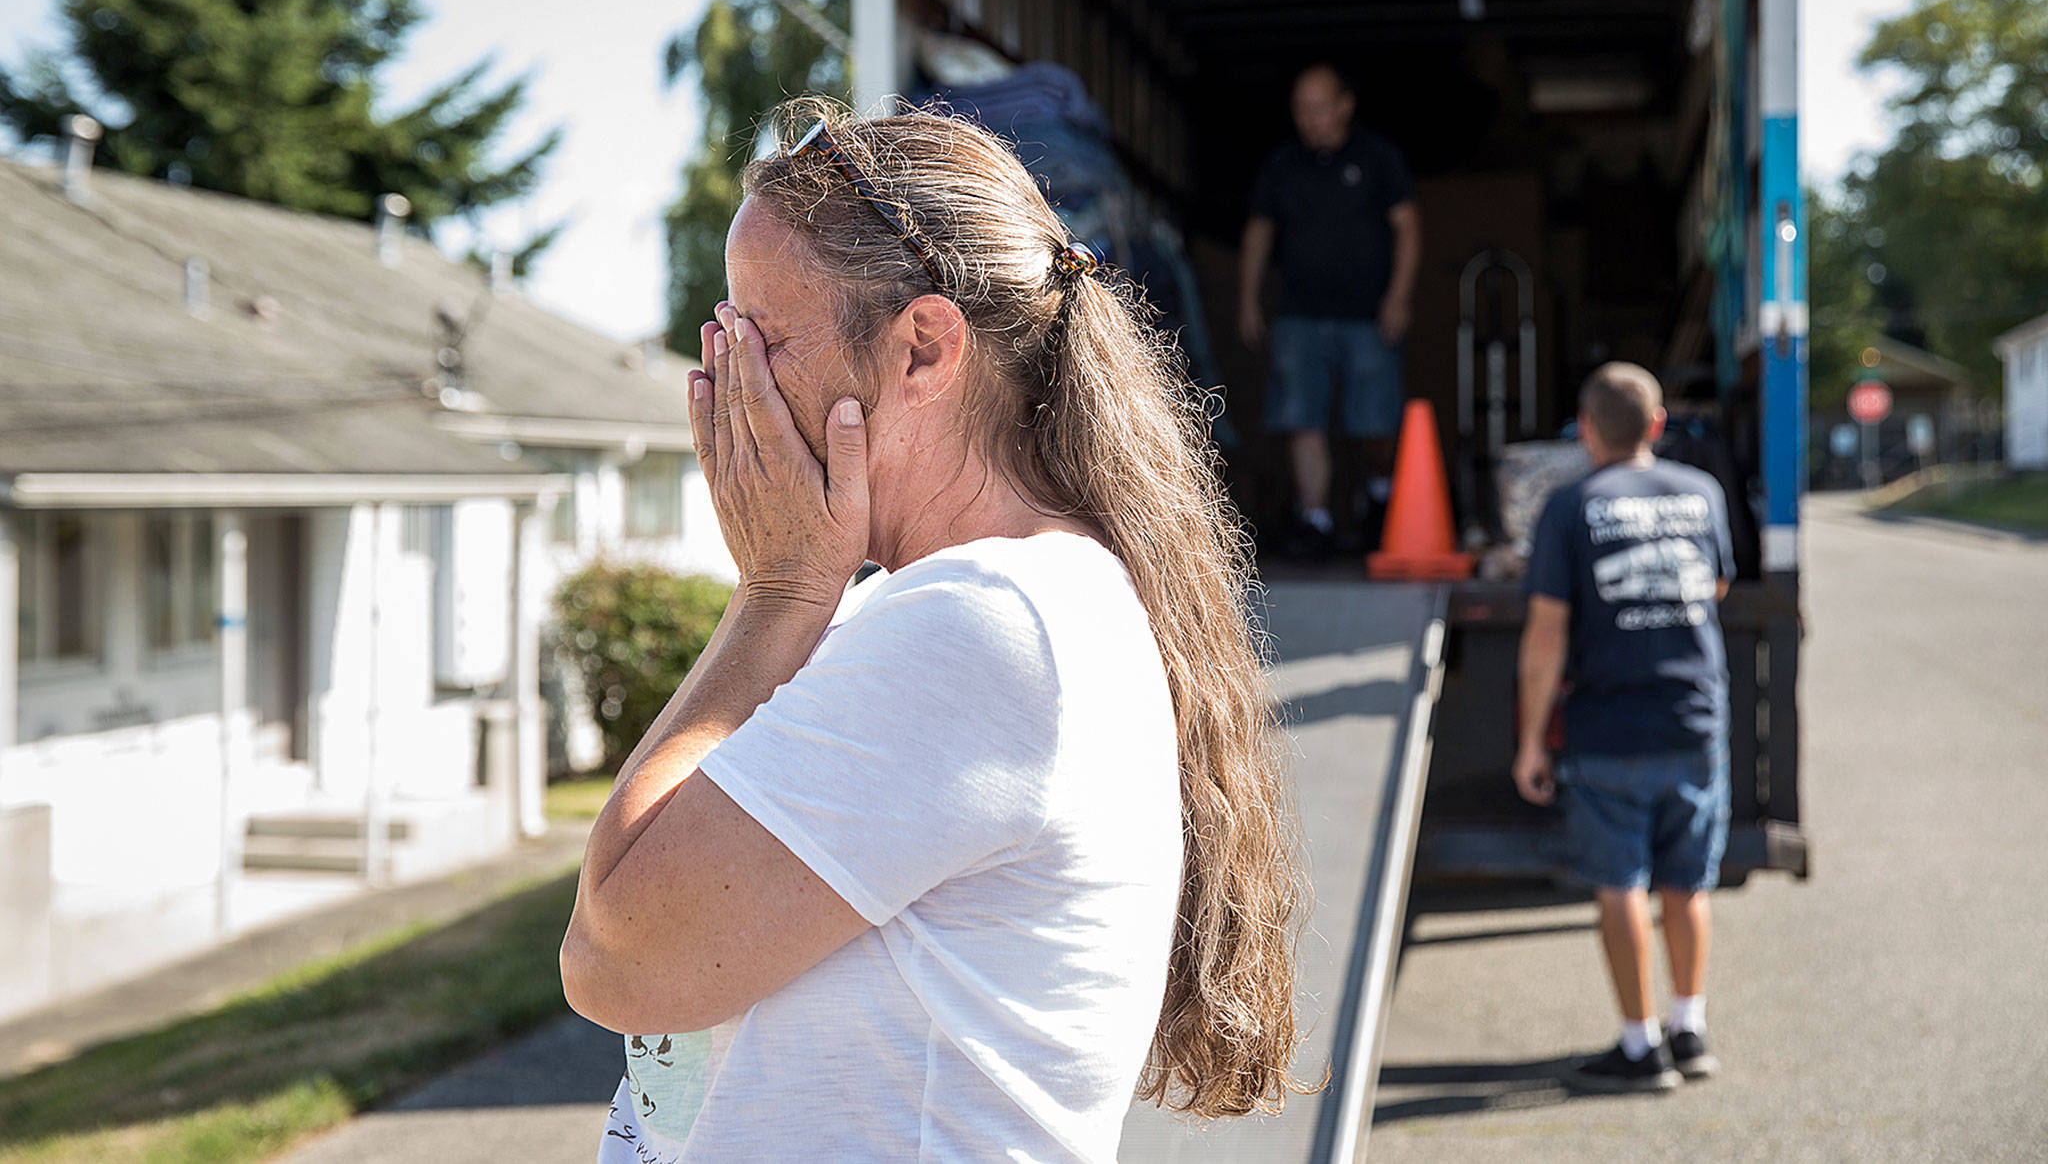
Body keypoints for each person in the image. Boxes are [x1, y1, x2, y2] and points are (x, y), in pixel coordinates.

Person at [560, 99, 1311, 1162]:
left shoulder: (985, 628)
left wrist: (775, 591)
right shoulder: (949, 608)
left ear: (920, 348)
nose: (728, 377)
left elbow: (618, 956)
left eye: (760, 335)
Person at [1513, 362, 1736, 1094]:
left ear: (1584, 430)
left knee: (1620, 888)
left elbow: (1547, 633)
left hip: (1609, 727)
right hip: (1694, 717)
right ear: (1659, 425)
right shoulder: (1702, 494)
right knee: (1687, 885)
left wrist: (1528, 740)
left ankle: (1640, 1047)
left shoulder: (1571, 505)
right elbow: (1717, 584)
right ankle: (1690, 1027)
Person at [1238, 63, 1421, 553]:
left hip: (1368, 314)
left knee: (1374, 423)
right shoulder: (1282, 164)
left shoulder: (1378, 158)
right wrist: (1248, 299)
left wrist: (1398, 297)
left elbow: (1408, 228)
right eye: (1301, 109)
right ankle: (1316, 518)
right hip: (1299, 314)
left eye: (1319, 108)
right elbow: (1259, 231)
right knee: (1303, 418)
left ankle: (1380, 501)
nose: (1309, 119)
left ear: (1345, 105)